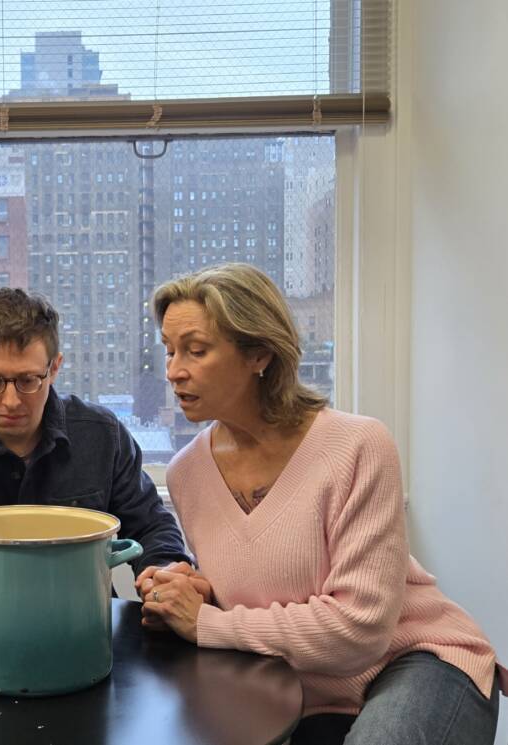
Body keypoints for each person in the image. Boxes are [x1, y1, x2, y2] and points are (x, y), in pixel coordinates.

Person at [138, 263, 505, 745]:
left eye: (196, 350)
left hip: (415, 658)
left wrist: (207, 622)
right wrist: (196, 591)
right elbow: (264, 583)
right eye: (169, 351)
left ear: (260, 353)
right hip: (303, 690)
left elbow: (359, 628)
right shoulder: (188, 473)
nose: (173, 371)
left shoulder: (357, 445)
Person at [0, 287, 192, 580]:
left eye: (28, 380)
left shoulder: (102, 436)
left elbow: (151, 527)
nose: (11, 401)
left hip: (81, 614)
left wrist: (165, 574)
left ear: (55, 368)